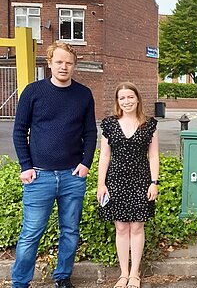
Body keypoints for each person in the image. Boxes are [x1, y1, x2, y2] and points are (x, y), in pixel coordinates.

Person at [12, 42, 97, 288]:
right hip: (39, 176)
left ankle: (62, 277)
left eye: (68, 63)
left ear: (74, 66)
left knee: (70, 231)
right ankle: (20, 283)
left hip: (73, 176)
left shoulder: (83, 94)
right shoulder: (33, 91)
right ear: (49, 63)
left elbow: (90, 132)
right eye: (59, 62)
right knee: (31, 233)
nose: (64, 67)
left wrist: (85, 163)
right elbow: (19, 131)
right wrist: (25, 166)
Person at [96, 82, 159, 288]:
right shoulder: (109, 124)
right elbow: (104, 156)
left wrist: (154, 182)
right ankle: (123, 273)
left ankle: (135, 274)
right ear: (117, 101)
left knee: (137, 227)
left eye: (130, 97)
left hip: (141, 181)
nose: (126, 101)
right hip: (115, 181)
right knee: (121, 228)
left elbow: (153, 156)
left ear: (138, 99)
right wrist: (101, 184)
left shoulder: (149, 124)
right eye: (122, 98)